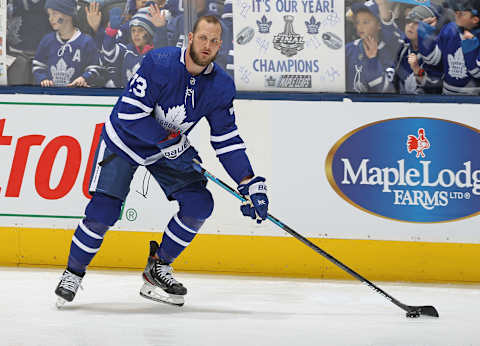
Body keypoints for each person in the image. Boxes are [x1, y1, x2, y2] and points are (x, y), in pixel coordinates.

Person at [54, 14, 269, 307]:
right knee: (103, 211)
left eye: (214, 41)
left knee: (199, 204)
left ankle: (158, 267)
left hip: (165, 148)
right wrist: (172, 141)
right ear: (190, 38)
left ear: (220, 46)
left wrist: (248, 182)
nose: (207, 45)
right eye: (203, 38)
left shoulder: (220, 86)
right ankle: (73, 273)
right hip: (126, 140)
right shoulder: (161, 62)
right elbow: (130, 115)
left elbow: (226, 139)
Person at [32, 0, 103, 87]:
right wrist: (43, 79)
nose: (51, 18)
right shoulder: (47, 40)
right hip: (51, 95)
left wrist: (84, 78)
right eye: (49, 14)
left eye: (54, 13)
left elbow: (95, 67)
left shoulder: (86, 41)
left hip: (77, 96)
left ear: (68, 14)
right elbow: (38, 65)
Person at [418, 0, 480, 95]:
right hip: (447, 96)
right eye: (455, 10)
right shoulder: (449, 29)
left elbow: (477, 73)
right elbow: (432, 59)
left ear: (475, 19)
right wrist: (425, 36)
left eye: (461, 13)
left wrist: (470, 47)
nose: (456, 14)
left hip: (475, 101)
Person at [101, 5, 168, 88]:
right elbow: (109, 55)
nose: (136, 34)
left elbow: (162, 53)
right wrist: (111, 33)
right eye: (133, 30)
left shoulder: (156, 52)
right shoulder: (127, 50)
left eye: (140, 30)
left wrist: (160, 29)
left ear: (150, 33)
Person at [345, 0, 403, 93]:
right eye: (357, 22)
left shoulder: (390, 51)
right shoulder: (348, 49)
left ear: (379, 25)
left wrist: (372, 61)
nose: (360, 27)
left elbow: (385, 91)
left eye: (365, 22)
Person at [393, 4, 443, 94]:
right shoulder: (402, 47)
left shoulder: (435, 54)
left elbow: (435, 88)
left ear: (430, 27)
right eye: (408, 21)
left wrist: (417, 69)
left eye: (417, 22)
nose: (410, 25)